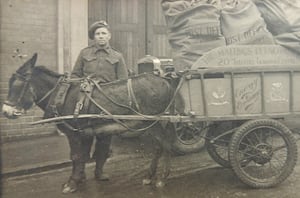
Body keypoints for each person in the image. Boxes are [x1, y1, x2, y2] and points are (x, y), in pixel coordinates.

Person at [70, 20, 129, 182]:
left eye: (103, 33)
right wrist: (82, 82)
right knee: (85, 137)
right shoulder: (85, 54)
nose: (101, 36)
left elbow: (124, 82)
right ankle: (80, 172)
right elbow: (74, 75)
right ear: (93, 37)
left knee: (104, 139)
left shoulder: (117, 56)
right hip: (87, 102)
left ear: (109, 36)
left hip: (108, 103)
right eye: (97, 34)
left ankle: (99, 171)